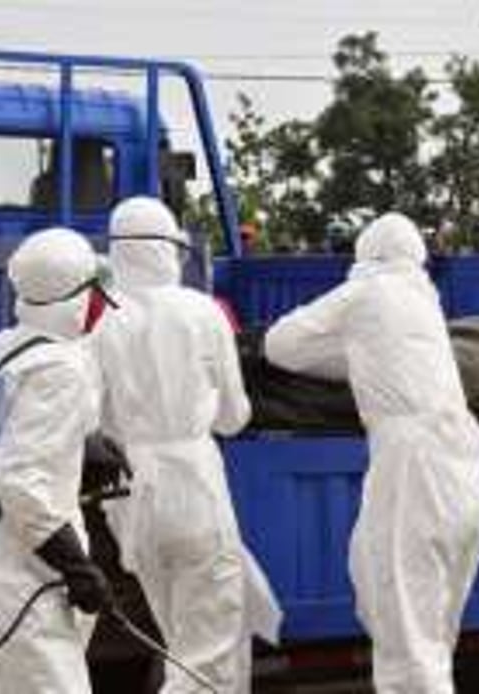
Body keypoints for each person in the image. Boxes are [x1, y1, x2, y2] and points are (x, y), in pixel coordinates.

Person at [264, 212, 479, 693]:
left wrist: (346, 358)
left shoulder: (368, 291)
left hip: (415, 475)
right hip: (463, 471)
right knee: (427, 636)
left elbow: (279, 344)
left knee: (407, 633)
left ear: (368, 253)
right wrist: (359, 358)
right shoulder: (423, 299)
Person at [94, 197, 280, 693]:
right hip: (193, 489)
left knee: (180, 636)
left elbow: (96, 417)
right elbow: (235, 417)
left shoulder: (101, 321)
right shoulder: (202, 312)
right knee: (208, 652)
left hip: (130, 498)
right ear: (170, 249)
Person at [0, 227, 112, 694]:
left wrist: (84, 445)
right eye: (92, 290)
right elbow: (19, 477)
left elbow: (13, 427)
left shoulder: (9, 344)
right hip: (26, 579)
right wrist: (76, 566)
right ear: (72, 298)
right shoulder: (59, 368)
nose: (100, 300)